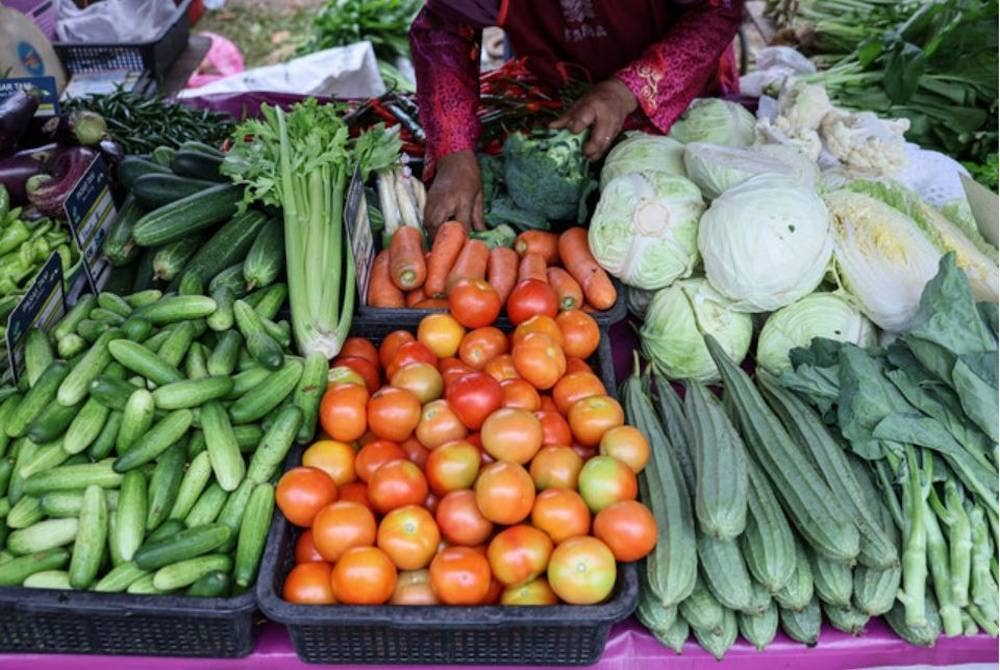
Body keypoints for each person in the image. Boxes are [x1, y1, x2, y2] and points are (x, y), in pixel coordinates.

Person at [410, 0, 744, 234]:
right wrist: (454, 150)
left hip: (677, 92)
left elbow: (716, 9)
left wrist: (629, 89)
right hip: (560, 88)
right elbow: (444, 27)